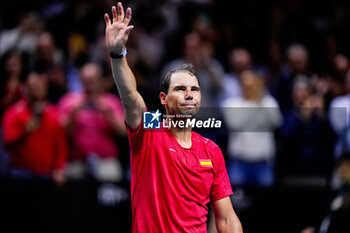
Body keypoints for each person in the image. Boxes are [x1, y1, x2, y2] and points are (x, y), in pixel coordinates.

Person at [104, 2, 243, 233]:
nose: (189, 94)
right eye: (180, 89)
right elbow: (130, 96)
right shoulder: (149, 130)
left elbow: (227, 220)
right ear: (163, 98)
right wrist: (118, 54)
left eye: (195, 90)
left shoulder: (211, 150)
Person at [58, 63, 126, 182]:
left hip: (105, 160)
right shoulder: (70, 101)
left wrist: (109, 115)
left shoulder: (111, 102)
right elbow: (59, 131)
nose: (89, 84)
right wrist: (73, 115)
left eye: (92, 80)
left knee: (112, 176)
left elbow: (124, 131)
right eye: (86, 80)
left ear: (100, 81)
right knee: (69, 178)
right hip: (77, 160)